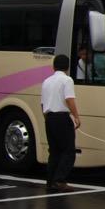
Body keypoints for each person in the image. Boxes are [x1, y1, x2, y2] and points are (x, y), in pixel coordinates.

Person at [41, 54, 80, 192]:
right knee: (68, 151)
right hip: (62, 117)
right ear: (68, 67)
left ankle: (50, 181)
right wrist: (76, 116)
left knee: (54, 151)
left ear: (53, 66)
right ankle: (60, 180)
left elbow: (42, 104)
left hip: (49, 118)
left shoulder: (46, 81)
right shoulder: (67, 80)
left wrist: (47, 118)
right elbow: (69, 99)